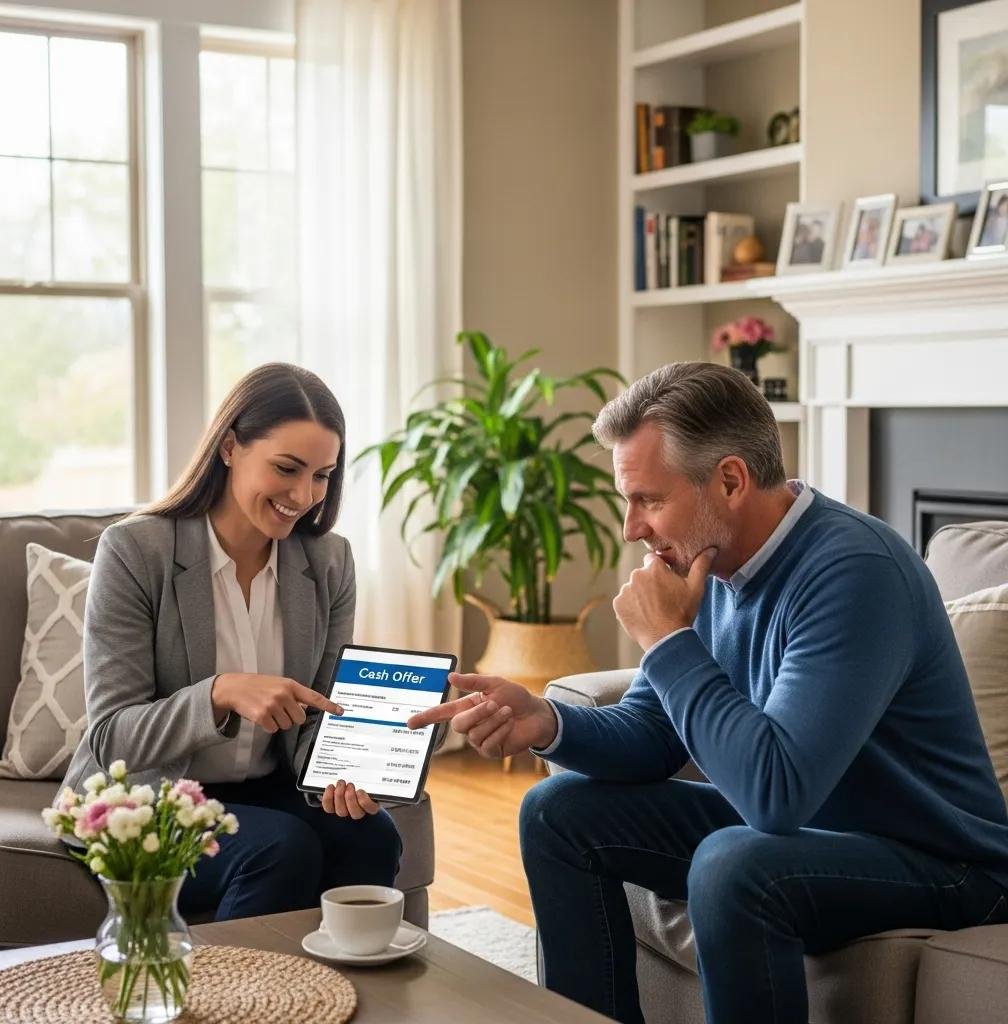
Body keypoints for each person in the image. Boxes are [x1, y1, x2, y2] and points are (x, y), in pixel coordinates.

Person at [410, 362, 1008, 1024]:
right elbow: (652, 732)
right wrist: (547, 723)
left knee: (733, 862)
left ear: (729, 480)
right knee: (557, 811)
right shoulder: (713, 564)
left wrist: (668, 640)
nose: (632, 528)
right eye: (628, 501)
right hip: (812, 834)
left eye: (649, 500)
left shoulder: (855, 571)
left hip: (943, 861)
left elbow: (775, 795)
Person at [59, 363, 401, 921]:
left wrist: (357, 764)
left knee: (372, 836)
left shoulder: (329, 561)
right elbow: (113, 737)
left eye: (322, 475)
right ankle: (237, 980)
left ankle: (339, 976)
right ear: (229, 448)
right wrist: (220, 693)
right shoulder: (135, 551)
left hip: (267, 785)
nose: (304, 495)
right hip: (144, 795)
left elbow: (319, 714)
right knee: (280, 849)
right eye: (287, 468)